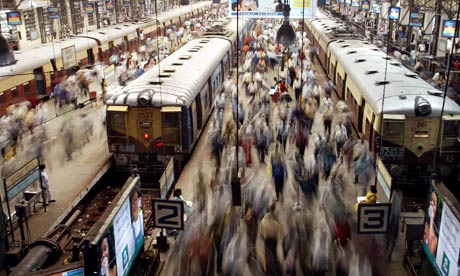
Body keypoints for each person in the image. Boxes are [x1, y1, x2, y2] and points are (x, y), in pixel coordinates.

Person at [424, 191, 439, 257]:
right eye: (431, 201)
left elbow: (430, 255)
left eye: (434, 203)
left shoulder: (434, 238)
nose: (431, 203)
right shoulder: (425, 225)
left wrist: (432, 219)